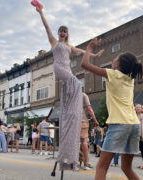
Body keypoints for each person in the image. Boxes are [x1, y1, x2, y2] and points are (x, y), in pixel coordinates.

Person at [35, 6, 103, 171]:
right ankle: (72, 105)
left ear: (67, 34)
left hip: (67, 74)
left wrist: (93, 54)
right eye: (60, 31)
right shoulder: (54, 42)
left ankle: (70, 109)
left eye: (64, 31)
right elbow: (46, 27)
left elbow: (81, 51)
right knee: (76, 82)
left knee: (73, 85)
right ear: (58, 34)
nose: (62, 33)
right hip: (60, 70)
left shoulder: (70, 46)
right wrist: (41, 12)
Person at [81, 38, 143, 180]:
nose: (114, 59)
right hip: (134, 125)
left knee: (101, 167)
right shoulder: (130, 79)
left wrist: (89, 49)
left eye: (115, 57)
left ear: (118, 64)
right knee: (126, 168)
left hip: (119, 124)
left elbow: (84, 64)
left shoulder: (113, 74)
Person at [79, 93, 99, 170]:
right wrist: (95, 120)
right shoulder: (83, 95)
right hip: (82, 121)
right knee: (84, 142)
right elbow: (89, 109)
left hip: (71, 122)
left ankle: (75, 163)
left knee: (74, 142)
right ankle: (86, 164)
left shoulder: (69, 95)